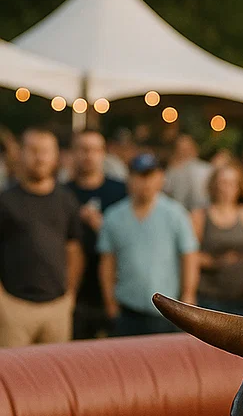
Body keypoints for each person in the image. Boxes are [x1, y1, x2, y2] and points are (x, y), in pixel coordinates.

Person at [97, 152, 200, 336]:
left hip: (167, 310)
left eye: (150, 176)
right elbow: (107, 262)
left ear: (160, 178)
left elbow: (189, 257)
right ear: (130, 179)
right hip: (127, 308)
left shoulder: (175, 214)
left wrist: (188, 294)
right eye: (139, 176)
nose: (145, 183)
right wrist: (110, 303)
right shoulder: (114, 216)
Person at [0, 128, 84, 347]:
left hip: (57, 307)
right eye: (33, 150)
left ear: (56, 156)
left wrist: (70, 294)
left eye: (45, 151)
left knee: (56, 376)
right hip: (13, 307)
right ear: (21, 154)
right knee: (12, 376)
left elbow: (73, 249)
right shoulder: (5, 201)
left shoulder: (66, 200)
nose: (39, 157)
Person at [66, 130, 128, 339]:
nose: (88, 155)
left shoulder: (120, 191)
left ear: (103, 153)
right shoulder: (62, 193)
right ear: (73, 153)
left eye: (94, 150)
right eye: (83, 149)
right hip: (74, 292)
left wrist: (102, 225)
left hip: (114, 290)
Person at [191, 164, 243, 316]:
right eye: (223, 182)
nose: (226, 188)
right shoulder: (200, 216)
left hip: (242, 297)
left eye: (232, 183)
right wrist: (215, 262)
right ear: (214, 185)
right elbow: (190, 256)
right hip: (210, 297)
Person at [163, 134, 212, 212]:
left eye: (187, 149)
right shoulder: (171, 172)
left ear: (195, 150)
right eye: (180, 150)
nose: (184, 153)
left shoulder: (207, 169)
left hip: (202, 214)